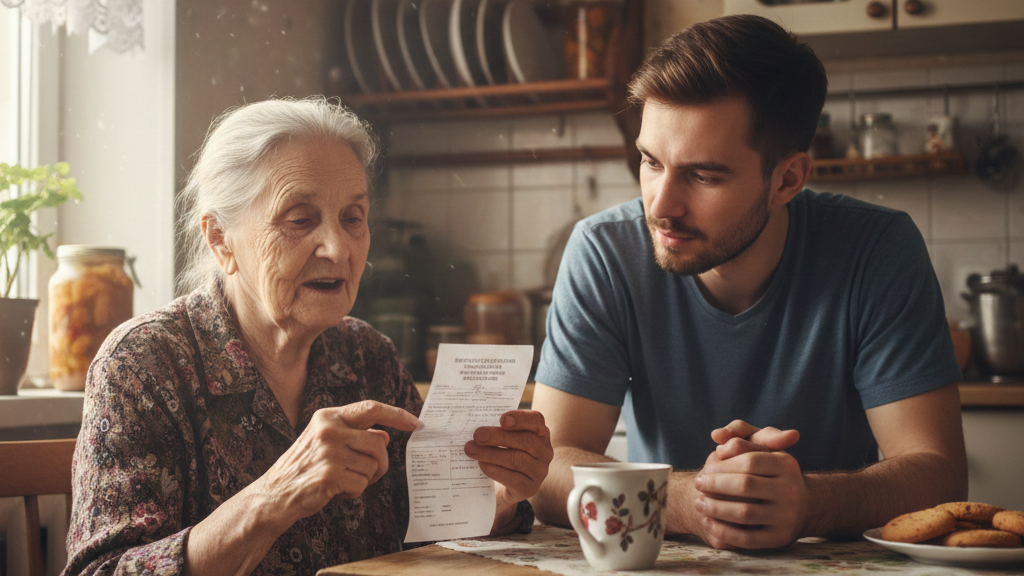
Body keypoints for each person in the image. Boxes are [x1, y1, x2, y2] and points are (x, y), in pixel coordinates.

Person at [529, 14, 967, 550]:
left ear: (787, 179)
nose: (661, 206)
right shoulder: (604, 251)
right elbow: (546, 470)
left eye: (703, 175)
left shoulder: (877, 249)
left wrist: (809, 502)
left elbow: (939, 473)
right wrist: (693, 501)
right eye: (650, 162)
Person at [63, 97, 552, 575]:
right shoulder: (143, 365)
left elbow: (424, 535)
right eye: (300, 219)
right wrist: (275, 495)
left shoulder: (368, 357)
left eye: (352, 218)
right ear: (220, 239)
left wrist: (498, 498)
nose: (337, 248)